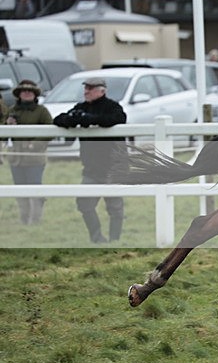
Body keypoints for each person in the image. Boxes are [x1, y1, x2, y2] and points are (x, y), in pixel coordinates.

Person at [53, 77, 127, 243]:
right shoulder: (81, 107)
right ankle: (97, 238)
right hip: (92, 168)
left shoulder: (112, 107)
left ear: (102, 90)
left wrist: (89, 119)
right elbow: (59, 119)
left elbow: (117, 119)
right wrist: (74, 119)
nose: (86, 91)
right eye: (85, 88)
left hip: (113, 167)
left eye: (90, 88)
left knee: (115, 207)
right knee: (84, 203)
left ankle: (115, 241)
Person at [5, 80, 53, 224]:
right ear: (19, 94)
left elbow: (50, 132)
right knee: (19, 189)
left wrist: (34, 145)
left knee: (34, 187)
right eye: (23, 91)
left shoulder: (42, 111)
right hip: (16, 157)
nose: (26, 93)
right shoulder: (12, 110)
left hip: (34, 157)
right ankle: (24, 218)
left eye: (30, 91)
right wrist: (8, 125)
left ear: (35, 94)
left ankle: (35, 219)